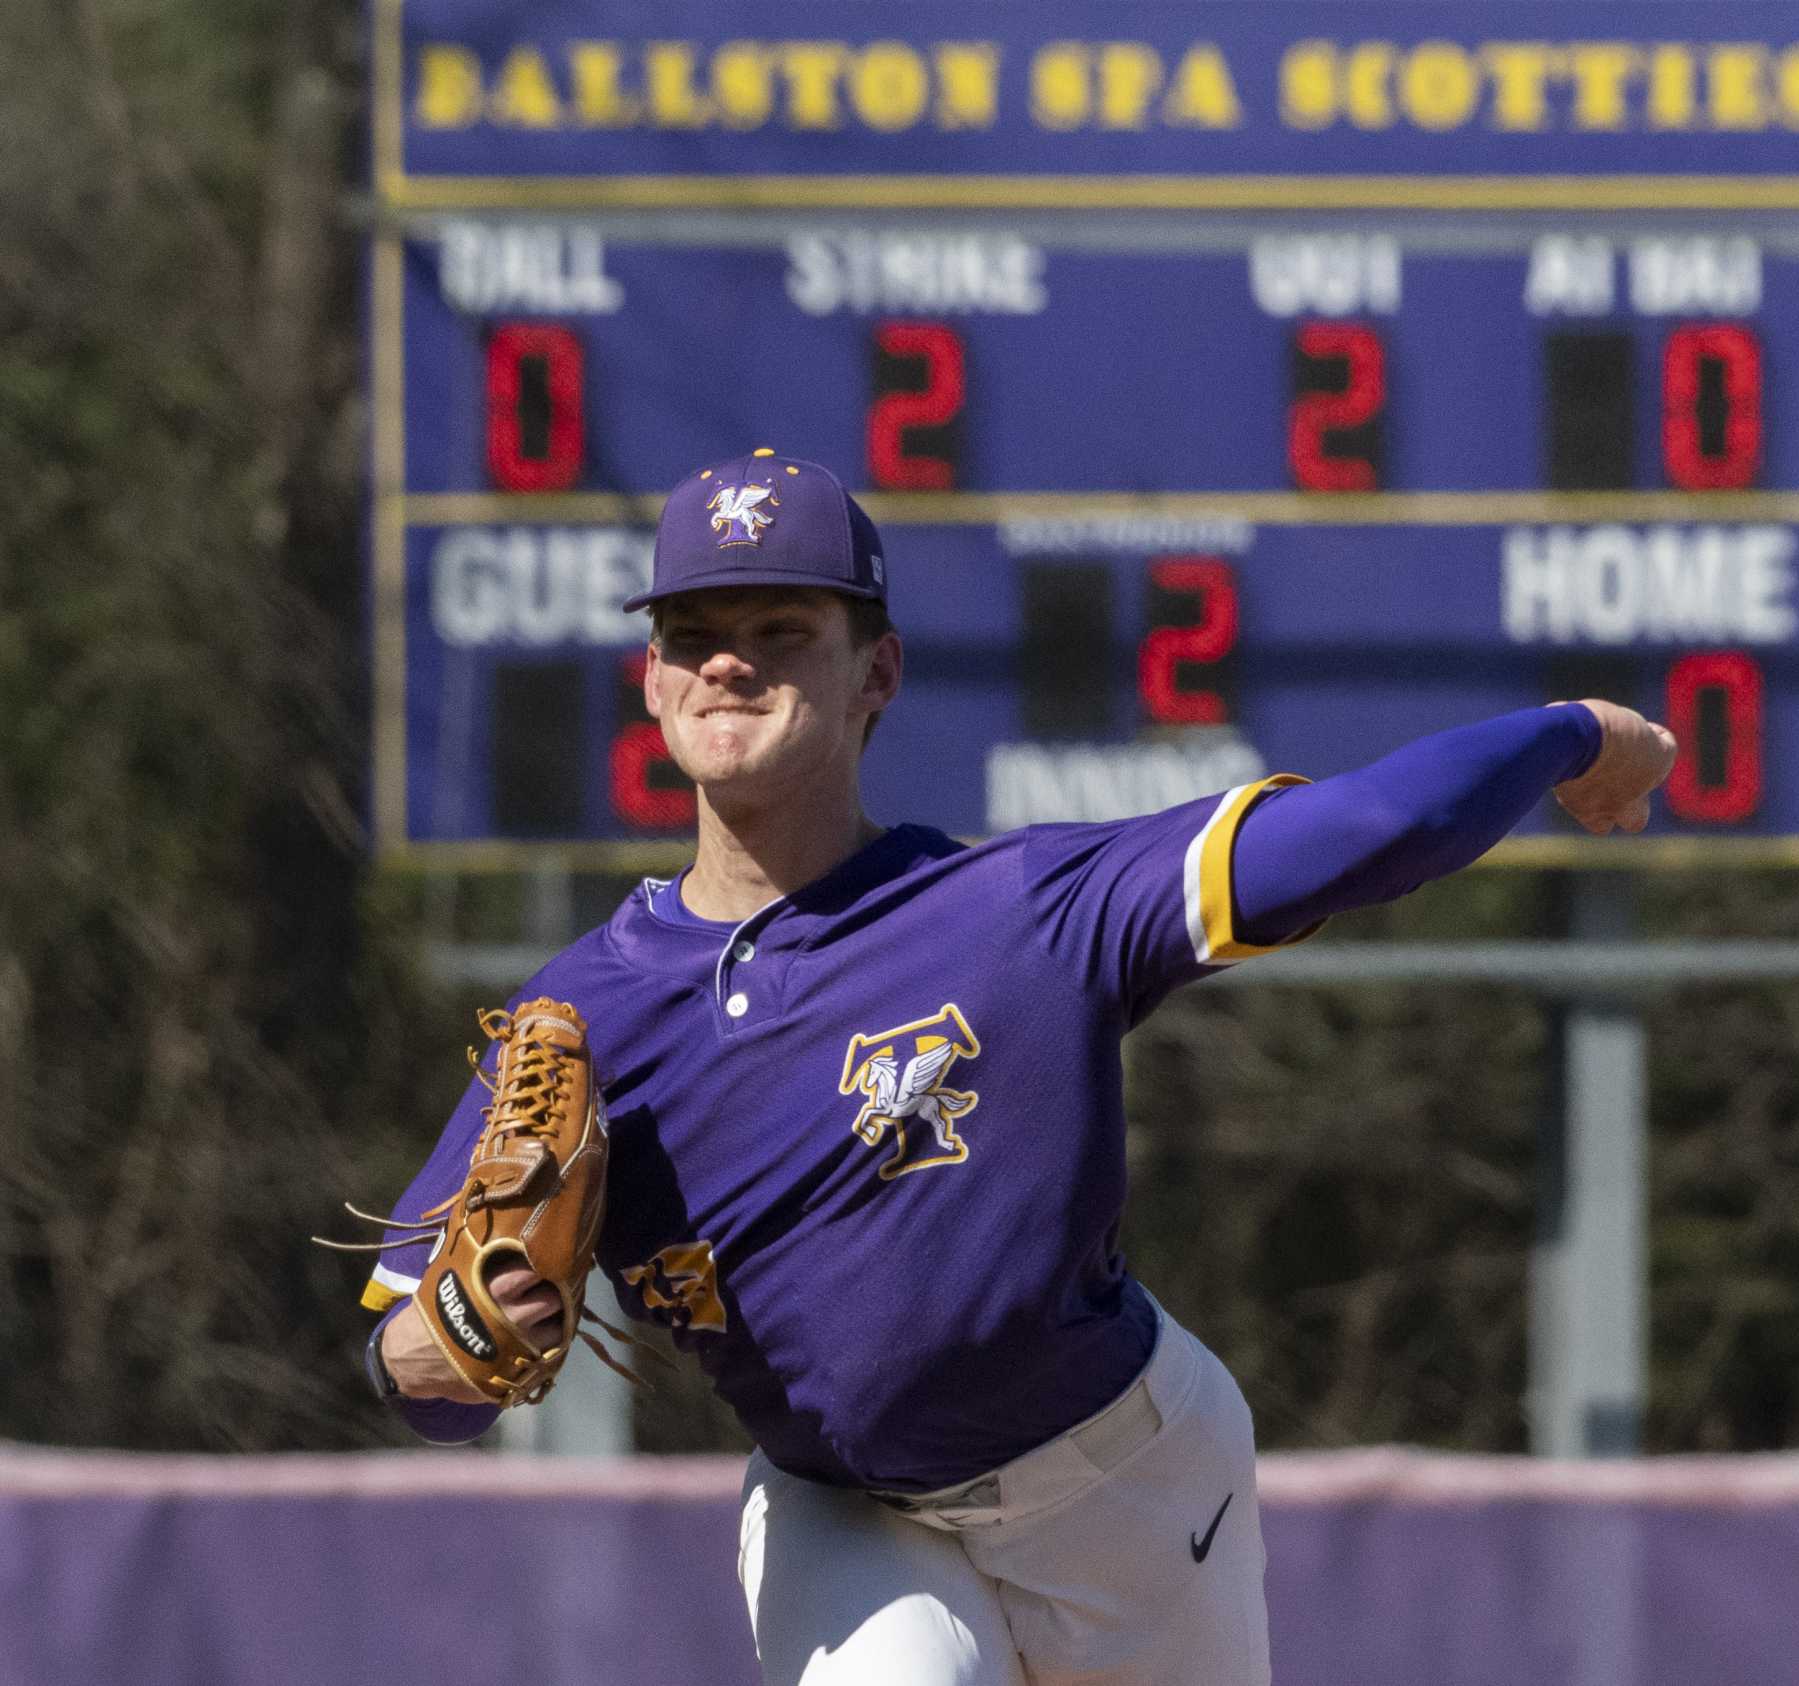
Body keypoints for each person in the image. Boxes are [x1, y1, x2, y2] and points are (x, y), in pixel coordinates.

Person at [360, 447, 1677, 1686]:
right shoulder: (581, 1014)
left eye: (781, 633)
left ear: (877, 672)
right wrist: (437, 1347)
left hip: (1130, 1484)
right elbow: (416, 1366)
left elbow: (1367, 828)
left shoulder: (1026, 909)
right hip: (847, 1508)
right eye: (694, 636)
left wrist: (1570, 731)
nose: (729, 667)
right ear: (648, 679)